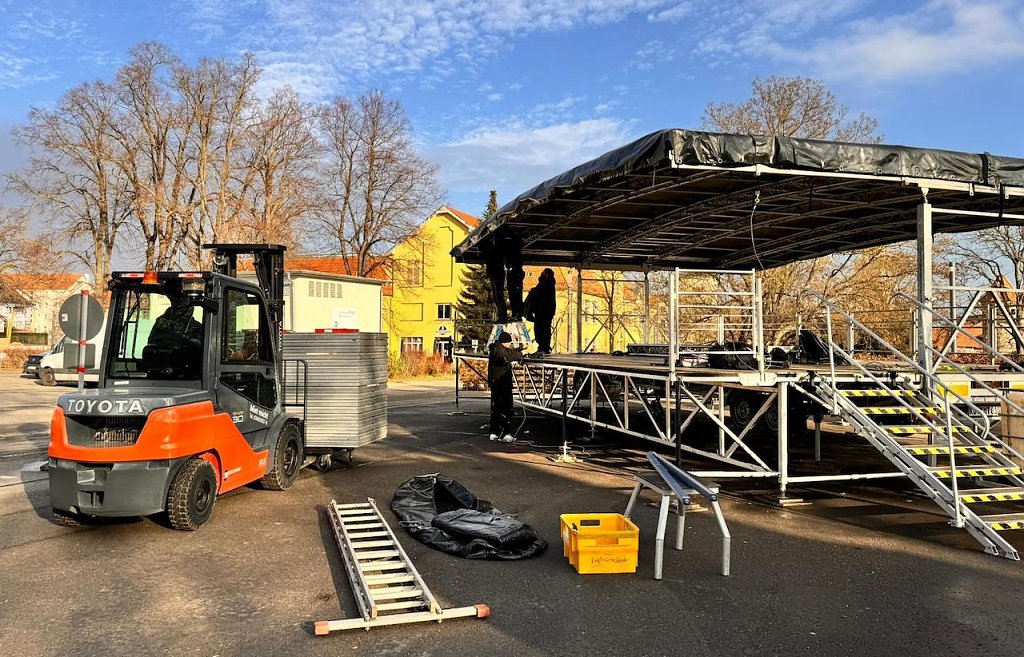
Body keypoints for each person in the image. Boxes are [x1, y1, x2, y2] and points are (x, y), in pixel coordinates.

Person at [487, 330, 523, 442]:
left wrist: (519, 349)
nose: (511, 344)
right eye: (509, 342)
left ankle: (494, 432)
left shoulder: (496, 348)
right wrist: (519, 354)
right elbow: (507, 357)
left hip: (496, 383)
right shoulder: (499, 351)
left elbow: (509, 353)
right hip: (502, 383)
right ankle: (505, 433)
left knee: (496, 408)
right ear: (505, 342)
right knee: (506, 408)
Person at [484, 233, 525, 323]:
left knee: (507, 295)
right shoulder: (506, 250)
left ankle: (509, 315)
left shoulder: (501, 250)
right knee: (505, 295)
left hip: (501, 273)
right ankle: (510, 315)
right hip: (503, 272)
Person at [524, 268, 556, 355]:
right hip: (546, 312)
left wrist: (532, 292)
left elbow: (538, 292)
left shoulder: (545, 284)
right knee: (544, 330)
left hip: (541, 311)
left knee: (540, 330)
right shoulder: (550, 285)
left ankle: (543, 347)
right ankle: (544, 347)